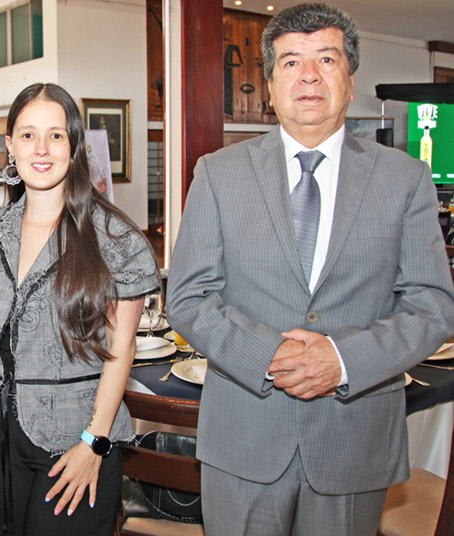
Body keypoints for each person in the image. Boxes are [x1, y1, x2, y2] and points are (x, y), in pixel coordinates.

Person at [166, 4, 454, 535]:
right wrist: (269, 353)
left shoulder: (405, 179)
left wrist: (342, 360)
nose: (309, 75)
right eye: (290, 62)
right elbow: (187, 297)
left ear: (349, 80)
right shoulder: (217, 173)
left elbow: (433, 306)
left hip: (354, 439)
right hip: (245, 437)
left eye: (327, 59)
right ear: (271, 87)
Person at [0, 82, 160, 536]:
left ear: (74, 145)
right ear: (9, 145)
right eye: (28, 135)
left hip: (74, 439)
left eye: (55, 135)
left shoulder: (114, 239)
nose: (42, 148)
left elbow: (122, 348)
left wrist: (94, 442)